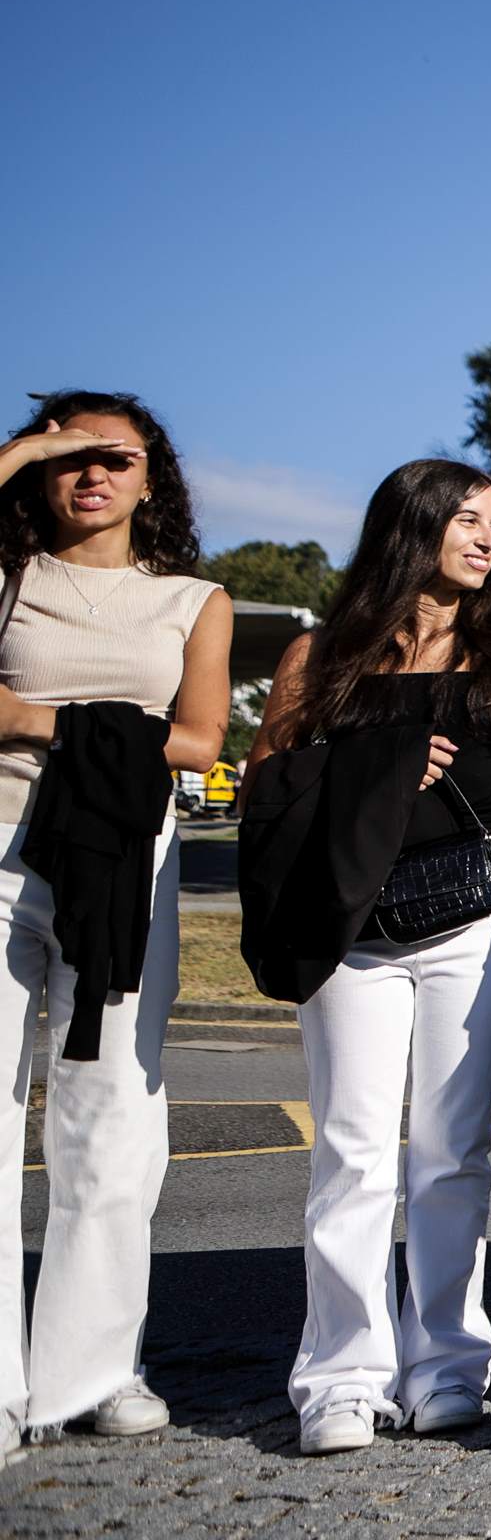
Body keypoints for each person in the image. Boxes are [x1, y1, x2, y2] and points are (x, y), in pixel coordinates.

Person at [247, 459, 491, 1456]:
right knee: (351, 1150)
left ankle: (447, 1369)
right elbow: (267, 788)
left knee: (452, 1153)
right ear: (410, 525)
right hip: (351, 927)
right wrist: (376, 765)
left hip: (477, 921)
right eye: (467, 519)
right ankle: (342, 1381)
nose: (488, 539)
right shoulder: (322, 655)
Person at [0, 397, 231, 1462]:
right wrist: (20, 450)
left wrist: (34, 718)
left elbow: (197, 739)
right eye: (68, 455)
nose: (90, 473)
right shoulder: (12, 580)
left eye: (115, 457)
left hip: (128, 864)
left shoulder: (193, 599)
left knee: (111, 1116)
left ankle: (92, 1371)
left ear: (152, 479)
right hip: (4, 852)